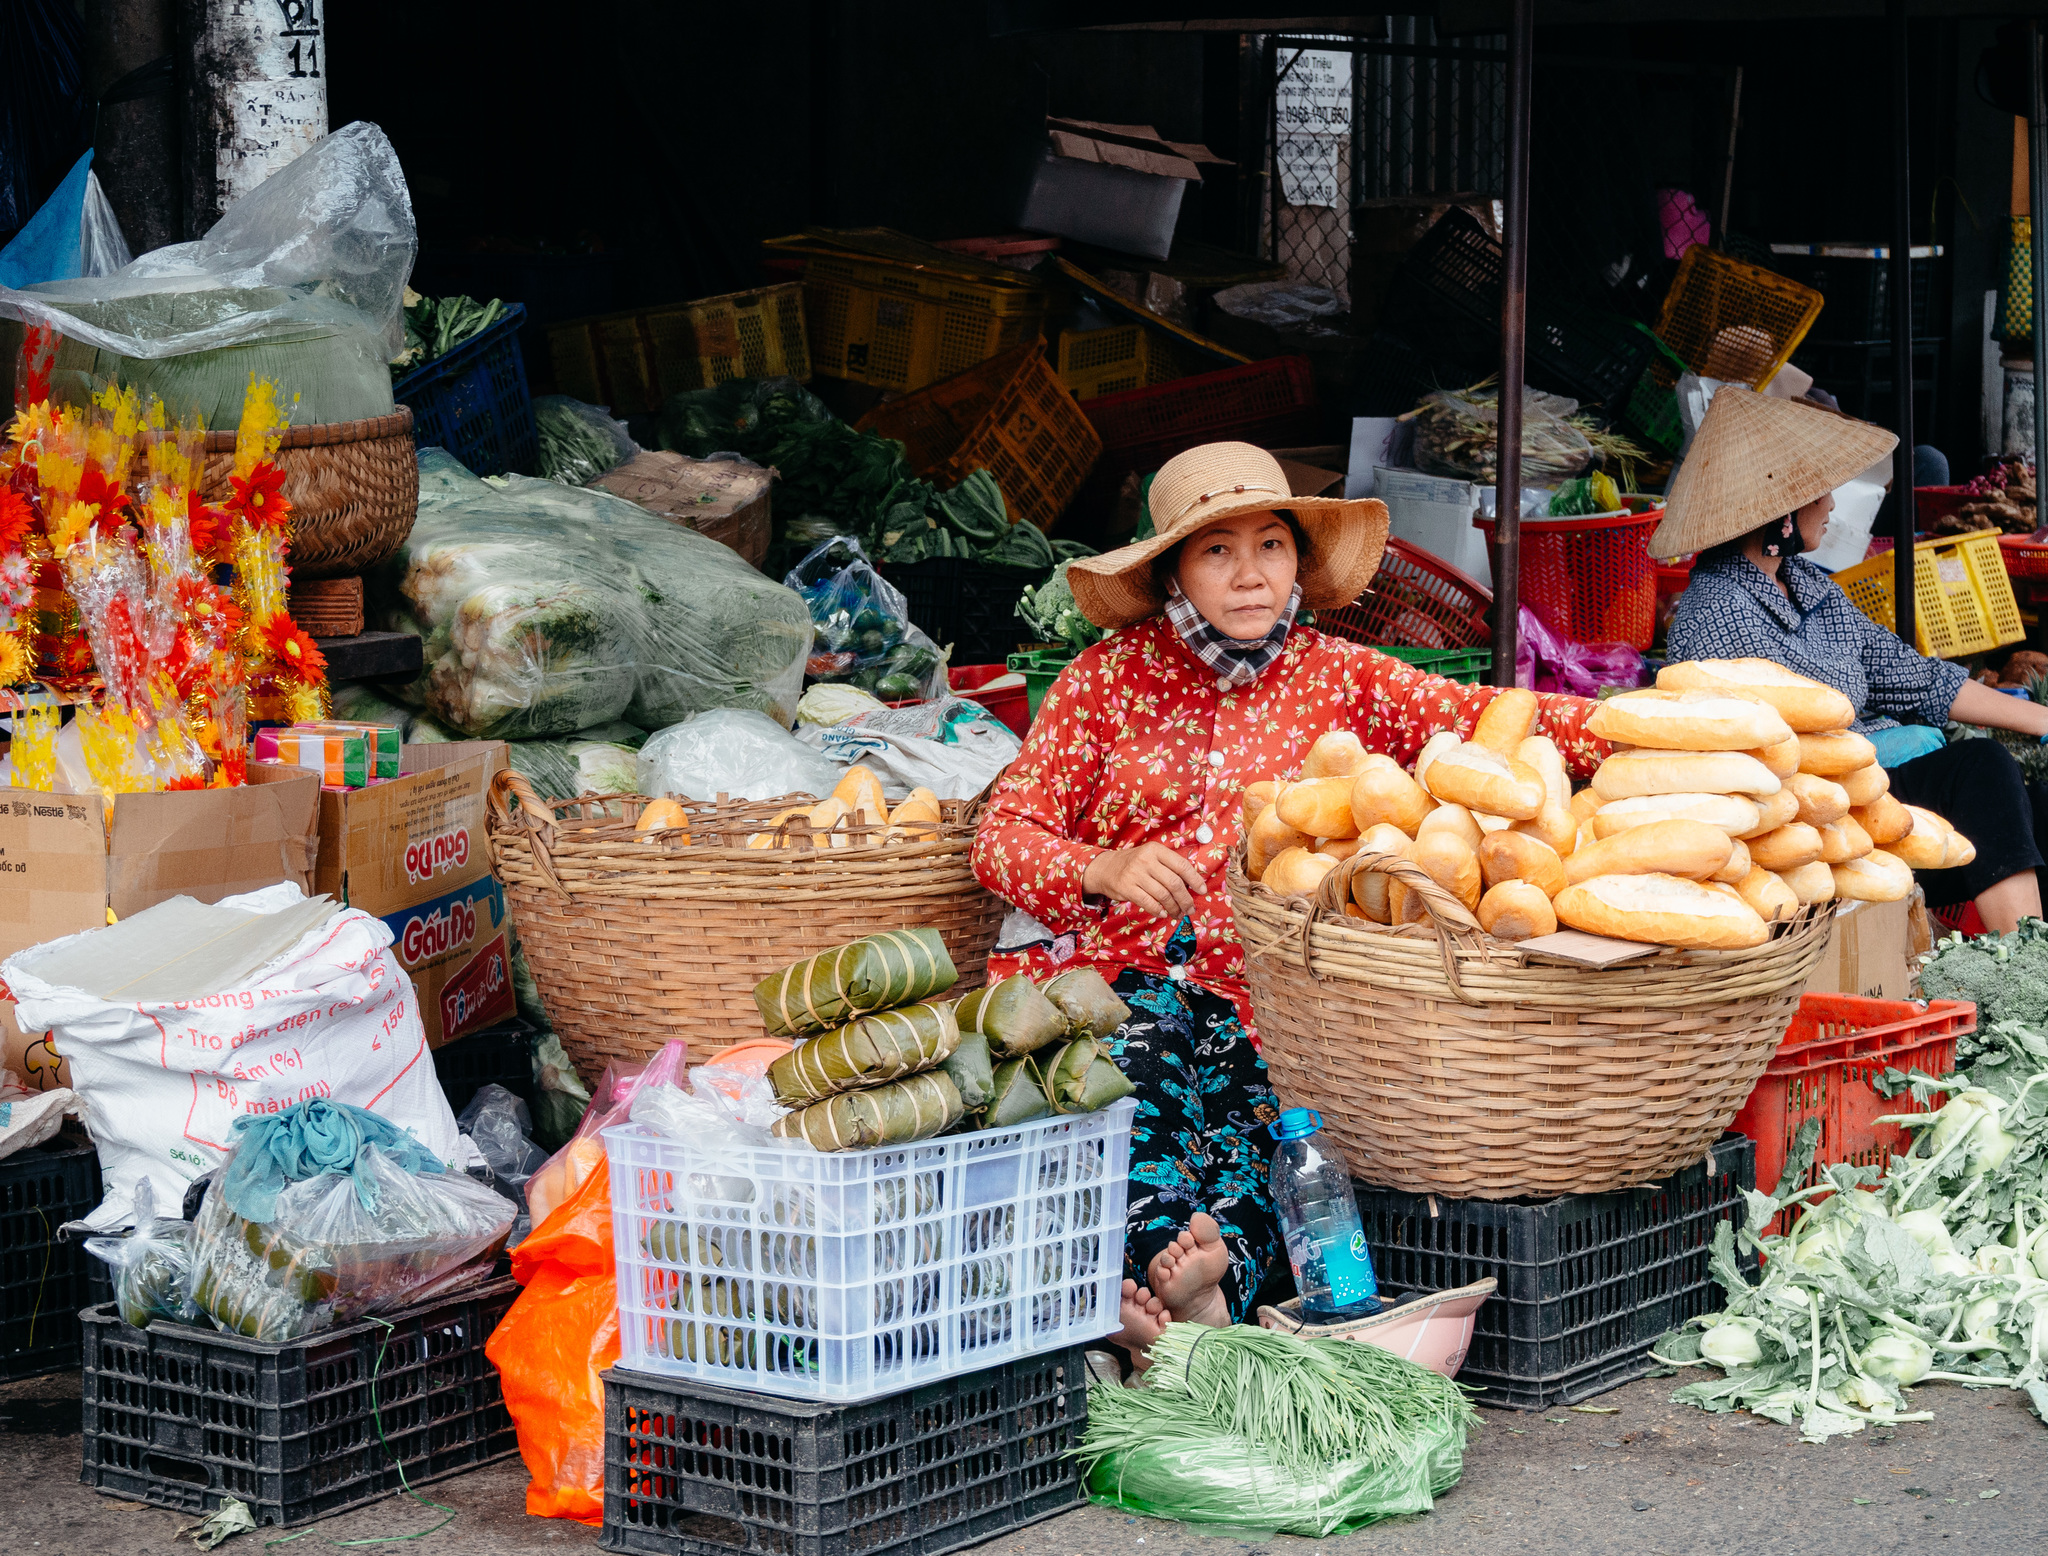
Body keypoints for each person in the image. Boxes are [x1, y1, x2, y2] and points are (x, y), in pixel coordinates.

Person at [970, 442, 1607, 1359]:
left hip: (1266, 1001)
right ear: (1174, 572)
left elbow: (1485, 722)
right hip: (1112, 981)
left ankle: (1207, 1295)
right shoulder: (1104, 683)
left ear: (1298, 561)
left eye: (1271, 545)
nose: (1249, 575)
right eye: (1217, 551)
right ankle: (1158, 1285)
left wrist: (1644, 729)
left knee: (1270, 1131)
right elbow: (1002, 834)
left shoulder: (1344, 677)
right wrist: (1098, 869)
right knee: (1142, 1082)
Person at [1660, 387, 2048, 931]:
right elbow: (1767, 757)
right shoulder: (1717, 614)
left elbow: (1915, 679)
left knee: (2040, 802)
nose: (1834, 504)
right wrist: (1870, 747)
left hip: (1872, 788)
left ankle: (2022, 958)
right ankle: (2027, 971)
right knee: (1980, 768)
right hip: (1817, 818)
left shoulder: (1810, 587)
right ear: (1782, 512)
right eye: (1820, 492)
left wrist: (2042, 719)